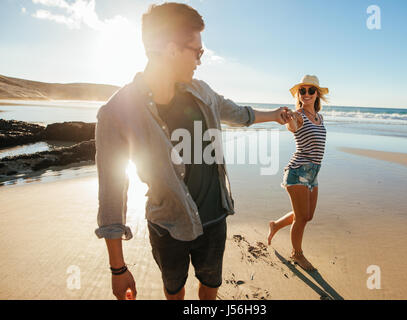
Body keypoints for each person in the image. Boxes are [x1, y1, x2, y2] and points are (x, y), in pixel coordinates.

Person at [95, 2, 290, 300]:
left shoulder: (202, 91)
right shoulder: (117, 112)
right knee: (174, 291)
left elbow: (239, 113)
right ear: (172, 49)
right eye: (197, 52)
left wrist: (275, 115)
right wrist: (118, 269)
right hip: (167, 226)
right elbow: (112, 192)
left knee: (210, 288)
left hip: (214, 218)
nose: (200, 61)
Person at [267, 75, 329, 271]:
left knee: (307, 215)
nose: (307, 94)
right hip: (297, 172)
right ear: (299, 94)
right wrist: (289, 119)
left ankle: (276, 225)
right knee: (301, 218)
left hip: (313, 174)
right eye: (303, 90)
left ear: (317, 93)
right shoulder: (298, 115)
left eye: (311, 90)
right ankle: (297, 254)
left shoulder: (320, 117)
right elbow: (292, 126)